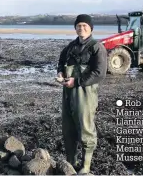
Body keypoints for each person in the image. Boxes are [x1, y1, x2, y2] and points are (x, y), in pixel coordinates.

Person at [56, 14, 107, 175]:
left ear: (91, 28)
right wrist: (60, 74)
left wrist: (76, 82)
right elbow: (60, 63)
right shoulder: (70, 47)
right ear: (75, 28)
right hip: (67, 93)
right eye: (78, 25)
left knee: (86, 129)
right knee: (68, 128)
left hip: (85, 93)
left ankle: (86, 166)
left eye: (85, 25)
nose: (81, 28)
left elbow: (100, 73)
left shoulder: (97, 47)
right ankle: (72, 162)